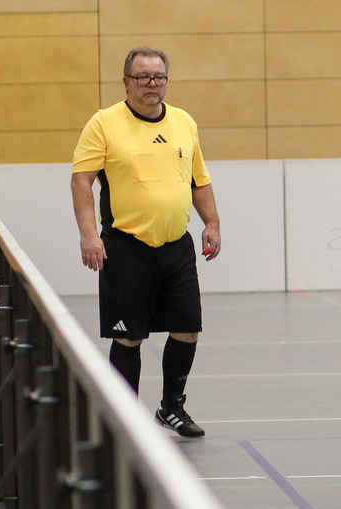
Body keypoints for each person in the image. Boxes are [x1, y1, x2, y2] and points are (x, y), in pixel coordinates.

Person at [71, 46, 221, 438]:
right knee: (129, 335)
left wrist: (212, 223)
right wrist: (89, 234)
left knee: (187, 328)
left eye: (159, 77)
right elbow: (81, 180)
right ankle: (124, 419)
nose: (152, 84)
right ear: (126, 82)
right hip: (125, 246)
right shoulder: (104, 124)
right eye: (143, 77)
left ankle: (171, 407)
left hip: (176, 245)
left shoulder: (184, 123)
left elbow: (199, 179)